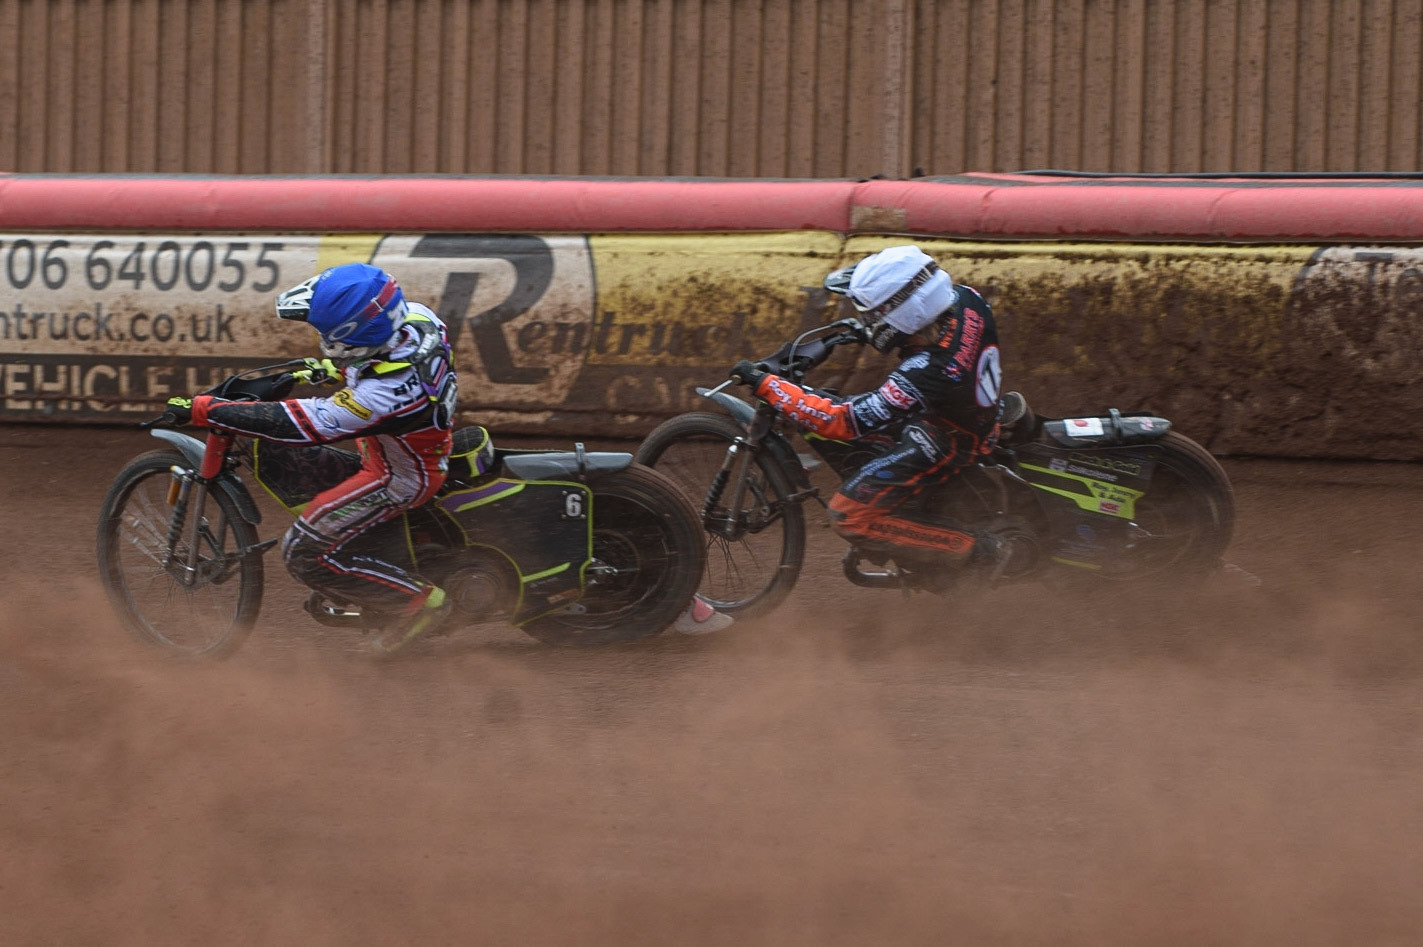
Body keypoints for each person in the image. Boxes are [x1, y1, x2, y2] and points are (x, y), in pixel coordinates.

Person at [163, 262, 459, 653]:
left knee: (302, 553)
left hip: (398, 479)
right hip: (400, 445)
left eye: (327, 332)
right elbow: (377, 363)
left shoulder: (385, 394)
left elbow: (308, 425)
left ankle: (421, 603)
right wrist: (334, 369)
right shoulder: (419, 319)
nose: (320, 336)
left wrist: (207, 410)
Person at [729, 245, 1012, 588]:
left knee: (848, 514)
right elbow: (919, 329)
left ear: (901, 314)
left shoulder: (925, 372)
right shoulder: (967, 299)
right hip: (970, 410)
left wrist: (769, 386)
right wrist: (867, 329)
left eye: (873, 313)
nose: (868, 319)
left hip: (947, 441)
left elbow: (842, 420)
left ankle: (975, 549)